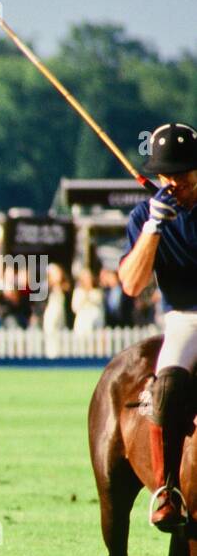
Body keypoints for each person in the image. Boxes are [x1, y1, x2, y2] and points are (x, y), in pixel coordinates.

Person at [118, 122, 197, 532]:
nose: (174, 183)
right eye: (166, 175)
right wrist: (152, 228)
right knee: (165, 385)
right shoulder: (144, 215)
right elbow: (132, 284)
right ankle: (168, 491)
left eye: (183, 174)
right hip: (185, 319)